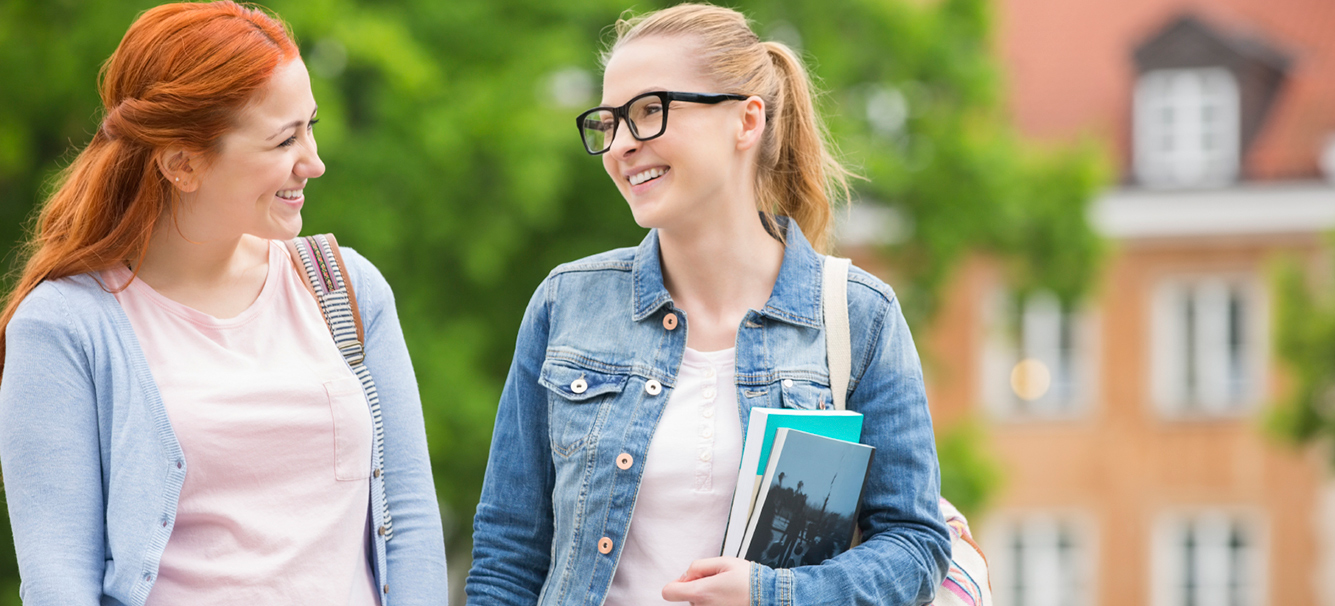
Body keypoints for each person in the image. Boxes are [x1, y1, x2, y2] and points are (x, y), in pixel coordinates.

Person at [466, 4, 950, 605]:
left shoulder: (859, 318)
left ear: (746, 121)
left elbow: (915, 544)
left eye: (649, 111)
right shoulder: (567, 304)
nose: (621, 145)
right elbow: (508, 556)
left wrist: (773, 594)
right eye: (609, 122)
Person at [0, 3, 446, 604]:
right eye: (283, 139)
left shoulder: (346, 288)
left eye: (310, 125)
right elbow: (59, 578)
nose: (313, 161)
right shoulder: (63, 328)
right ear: (182, 163)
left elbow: (411, 519)